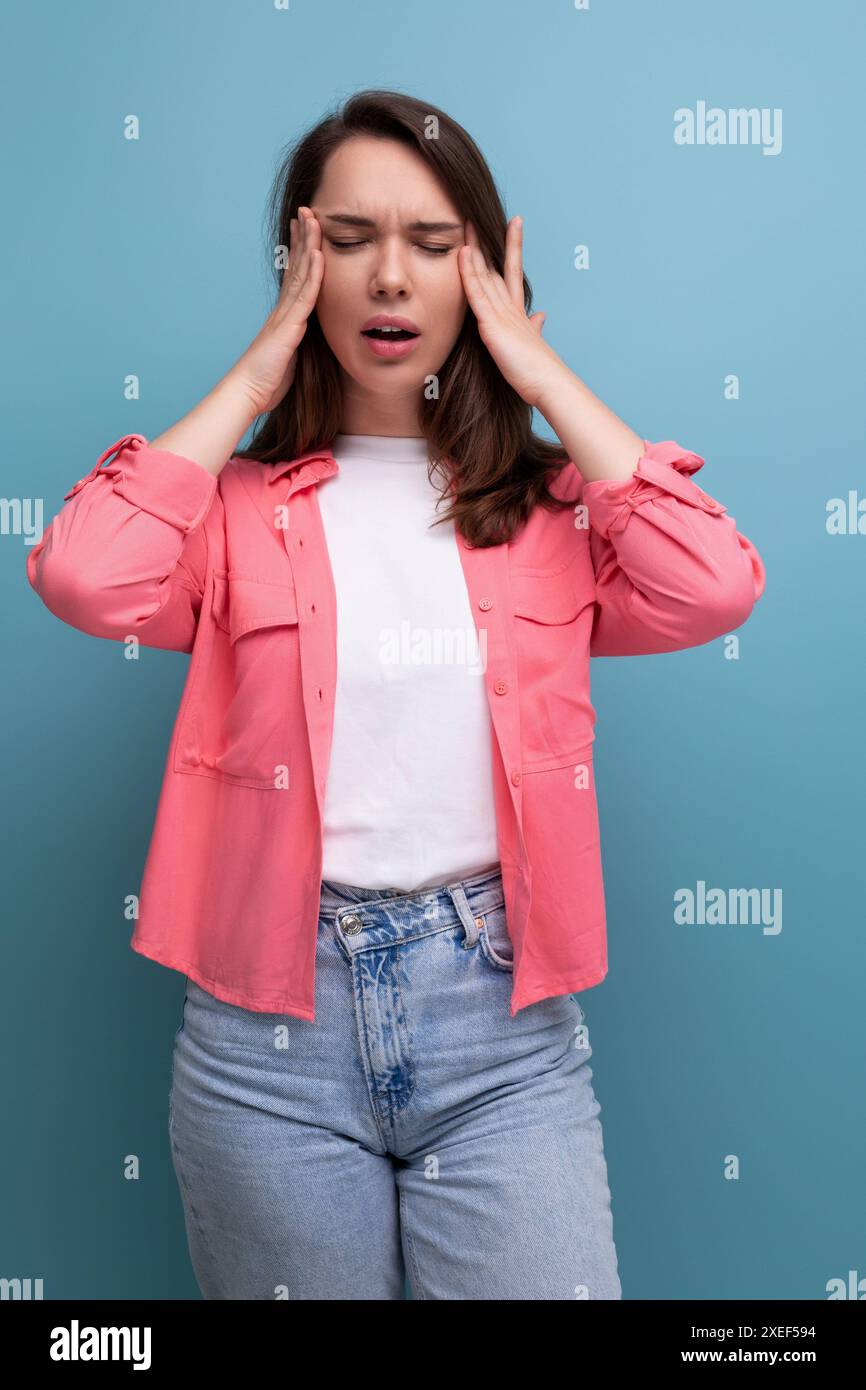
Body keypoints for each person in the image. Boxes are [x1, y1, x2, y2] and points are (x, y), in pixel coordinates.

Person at [26, 89, 765, 1300]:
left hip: (501, 1035)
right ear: (301, 262)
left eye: (431, 246)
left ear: (480, 268)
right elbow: (80, 573)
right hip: (267, 1042)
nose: (388, 280)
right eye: (350, 242)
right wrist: (259, 368)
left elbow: (715, 585)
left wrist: (532, 362)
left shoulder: (550, 520)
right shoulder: (230, 517)